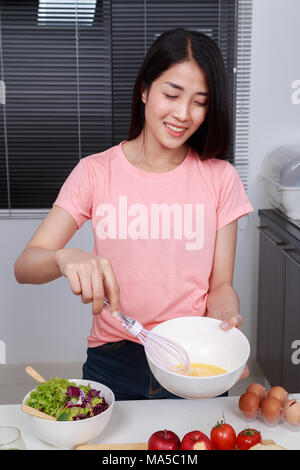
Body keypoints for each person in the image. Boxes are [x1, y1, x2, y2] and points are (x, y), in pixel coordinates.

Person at [14, 28, 253, 401]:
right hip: (113, 360)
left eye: (199, 101)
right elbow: (25, 266)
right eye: (171, 95)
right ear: (144, 90)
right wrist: (64, 257)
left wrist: (226, 323)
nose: (182, 113)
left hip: (191, 360)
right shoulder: (95, 172)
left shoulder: (221, 178)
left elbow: (220, 285)